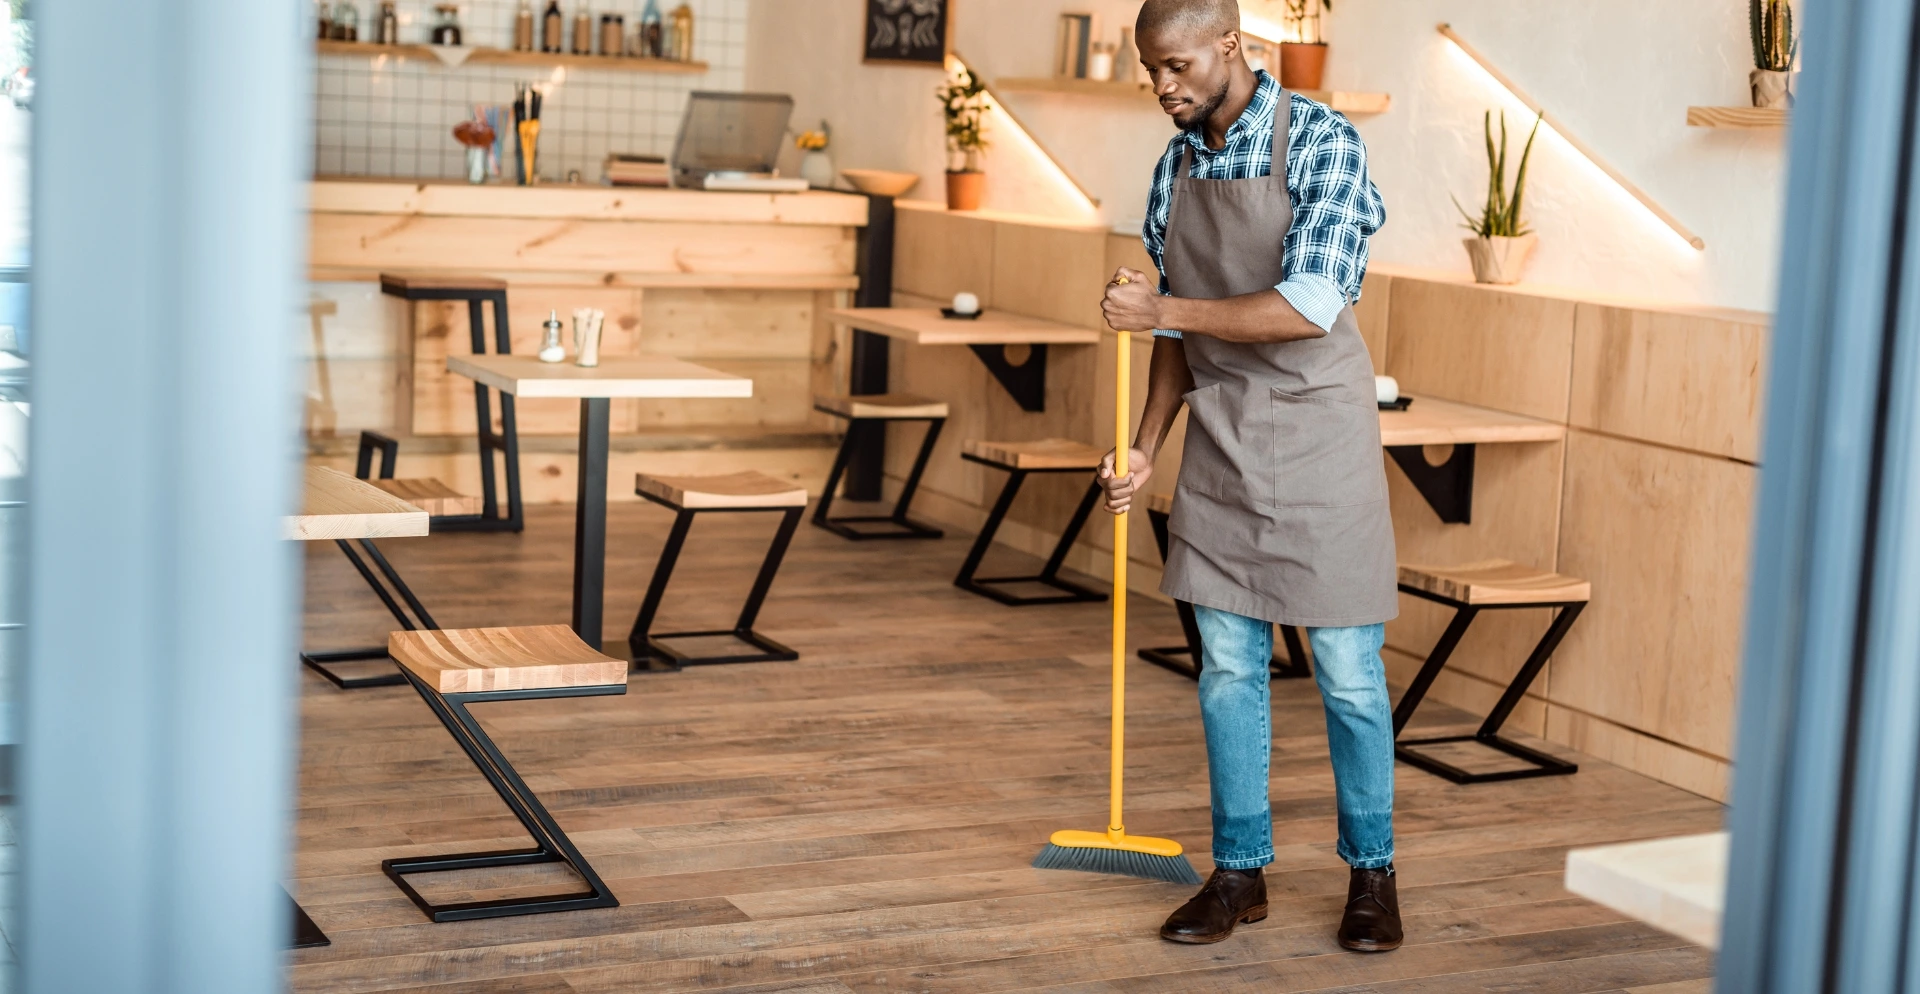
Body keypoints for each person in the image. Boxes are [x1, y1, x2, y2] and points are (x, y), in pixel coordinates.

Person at [1096, 0, 1401, 952]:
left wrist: (1163, 310)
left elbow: (1309, 304)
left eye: (1177, 65)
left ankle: (1373, 874)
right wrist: (1147, 443)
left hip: (1320, 439)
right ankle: (1239, 873)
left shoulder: (1321, 142)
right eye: (1150, 70)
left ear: (1232, 44)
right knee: (1227, 667)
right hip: (1222, 442)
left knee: (1348, 674)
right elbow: (1177, 339)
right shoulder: (1175, 167)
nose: (1163, 86)